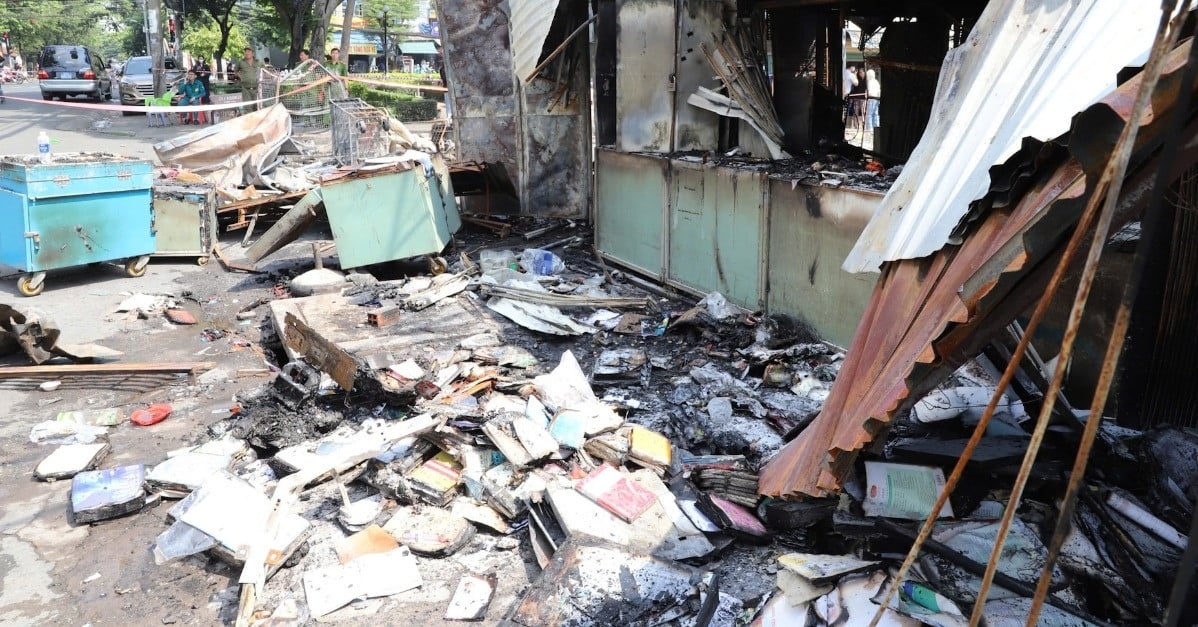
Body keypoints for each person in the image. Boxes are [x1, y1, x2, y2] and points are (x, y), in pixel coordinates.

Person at [234, 47, 264, 113]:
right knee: (248, 108)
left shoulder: (259, 62)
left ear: (253, 53)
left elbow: (265, 71)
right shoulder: (240, 62)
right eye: (245, 51)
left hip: (257, 88)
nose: (246, 53)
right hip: (246, 89)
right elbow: (235, 71)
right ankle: (250, 121)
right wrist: (240, 77)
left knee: (257, 106)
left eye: (248, 51)